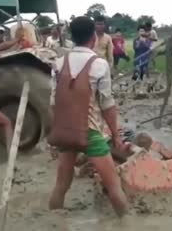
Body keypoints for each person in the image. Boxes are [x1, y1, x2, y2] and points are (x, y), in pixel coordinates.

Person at [48, 16, 129, 217]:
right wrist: (116, 135)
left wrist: (54, 135)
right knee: (114, 187)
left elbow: (53, 103)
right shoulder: (99, 64)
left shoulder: (58, 63)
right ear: (93, 37)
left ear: (72, 37)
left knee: (61, 185)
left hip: (66, 133)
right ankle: (127, 222)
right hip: (90, 133)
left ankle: (53, 221)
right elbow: (107, 105)